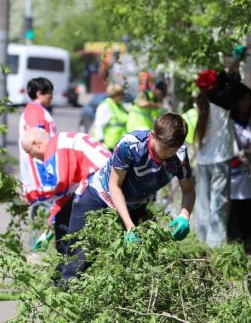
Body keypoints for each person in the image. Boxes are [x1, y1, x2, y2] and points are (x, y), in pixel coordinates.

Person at [60, 113, 195, 285]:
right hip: (99, 197)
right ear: (153, 135)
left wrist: (184, 215)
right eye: (163, 150)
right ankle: (64, 296)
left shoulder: (180, 155)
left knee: (130, 261)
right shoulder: (130, 145)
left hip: (136, 204)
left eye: (172, 151)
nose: (166, 156)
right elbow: (114, 186)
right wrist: (129, 225)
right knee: (79, 256)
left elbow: (188, 190)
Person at [20, 128, 111, 256]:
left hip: (99, 181)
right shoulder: (63, 140)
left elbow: (56, 184)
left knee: (66, 225)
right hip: (104, 178)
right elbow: (68, 190)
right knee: (63, 218)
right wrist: (52, 217)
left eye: (29, 152)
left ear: (37, 144)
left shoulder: (54, 148)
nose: (31, 157)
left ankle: (68, 267)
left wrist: (28, 195)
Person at [193, 69, 249, 247]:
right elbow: (239, 88)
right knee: (219, 203)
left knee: (202, 202)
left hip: (202, 161)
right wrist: (229, 71)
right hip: (219, 160)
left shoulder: (200, 103)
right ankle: (215, 244)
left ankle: (200, 241)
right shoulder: (223, 102)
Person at [227, 86, 251, 253]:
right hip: (235, 175)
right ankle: (238, 247)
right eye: (243, 100)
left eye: (249, 100)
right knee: (237, 211)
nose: (246, 104)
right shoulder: (230, 123)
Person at [19, 77, 57, 197]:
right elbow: (37, 139)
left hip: (42, 158)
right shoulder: (35, 111)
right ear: (39, 93)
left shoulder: (38, 110)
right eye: (49, 92)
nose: (51, 96)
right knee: (43, 193)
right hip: (38, 161)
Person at [91, 83, 129, 150]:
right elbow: (98, 125)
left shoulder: (120, 106)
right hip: (108, 146)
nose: (123, 97)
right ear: (116, 95)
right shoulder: (105, 106)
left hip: (119, 145)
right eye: (121, 94)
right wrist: (101, 142)